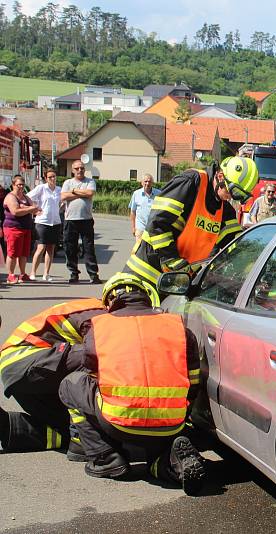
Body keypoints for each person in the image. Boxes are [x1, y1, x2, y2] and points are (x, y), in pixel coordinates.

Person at [58, 273, 206, 494]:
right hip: (172, 422)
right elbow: (194, 382)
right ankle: (166, 463)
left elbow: (92, 376)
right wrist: (182, 416)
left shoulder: (98, 327)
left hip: (117, 423)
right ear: (146, 295)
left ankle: (106, 457)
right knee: (158, 442)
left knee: (70, 384)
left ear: (109, 300)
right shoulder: (177, 326)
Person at [120, 157, 258, 291]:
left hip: (175, 284)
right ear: (220, 176)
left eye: (239, 196)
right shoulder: (190, 183)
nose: (232, 197)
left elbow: (236, 245)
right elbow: (157, 223)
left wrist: (257, 271)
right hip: (144, 276)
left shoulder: (224, 211)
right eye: (231, 191)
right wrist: (174, 262)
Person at [0, 297, 107, 456]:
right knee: (103, 356)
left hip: (30, 377)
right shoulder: (100, 313)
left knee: (64, 433)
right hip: (27, 361)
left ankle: (5, 426)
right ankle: (80, 439)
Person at [61, 161, 100, 284]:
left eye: (82, 168)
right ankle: (73, 273)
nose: (79, 170)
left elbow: (89, 193)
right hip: (70, 220)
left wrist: (73, 192)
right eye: (77, 168)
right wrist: (80, 193)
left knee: (88, 248)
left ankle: (93, 274)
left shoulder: (90, 182)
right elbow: (63, 197)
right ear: (73, 170)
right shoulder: (68, 183)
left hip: (86, 220)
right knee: (70, 248)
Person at [3, 175, 39, 284]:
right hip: (13, 228)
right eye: (18, 185)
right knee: (13, 253)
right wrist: (29, 209)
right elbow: (15, 212)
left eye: (23, 185)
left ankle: (22, 274)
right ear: (13, 185)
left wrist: (26, 208)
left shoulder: (25, 197)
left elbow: (36, 209)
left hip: (26, 228)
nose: (21, 187)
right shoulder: (10, 197)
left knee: (24, 253)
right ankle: (10, 275)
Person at [29, 168, 62, 282]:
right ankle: (33, 272)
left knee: (50, 249)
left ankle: (46, 274)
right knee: (41, 247)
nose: (53, 178)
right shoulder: (42, 188)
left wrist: (61, 209)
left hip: (55, 222)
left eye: (54, 176)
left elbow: (62, 202)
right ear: (46, 178)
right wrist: (35, 209)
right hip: (42, 222)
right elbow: (28, 197)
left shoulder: (59, 190)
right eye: (50, 177)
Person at [129, 173, 161, 243]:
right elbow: (133, 212)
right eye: (145, 181)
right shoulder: (136, 194)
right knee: (139, 250)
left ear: (152, 183)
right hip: (140, 229)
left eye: (149, 181)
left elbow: (161, 211)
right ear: (141, 183)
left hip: (154, 229)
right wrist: (133, 228)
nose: (147, 183)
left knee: (152, 252)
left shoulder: (159, 194)